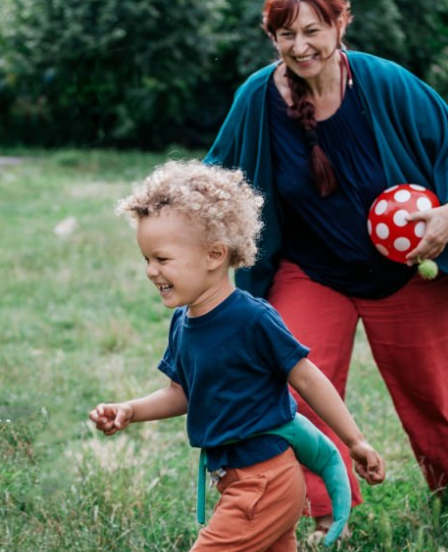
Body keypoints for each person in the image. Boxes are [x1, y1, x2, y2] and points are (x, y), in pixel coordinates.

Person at [204, 0, 448, 540]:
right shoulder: (257, 98)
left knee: (437, 399)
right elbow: (215, 178)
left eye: (313, 30)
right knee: (291, 390)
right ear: (272, 38)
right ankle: (324, 515)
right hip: (312, 271)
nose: (300, 46)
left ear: (341, 24)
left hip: (404, 272)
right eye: (286, 34)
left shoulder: (386, 84)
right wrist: (171, 214)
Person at [89, 160, 385, 551]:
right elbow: (182, 393)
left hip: (263, 480)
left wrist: (355, 441)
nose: (150, 271)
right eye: (147, 260)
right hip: (238, 479)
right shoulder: (183, 321)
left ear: (214, 255)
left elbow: (307, 378)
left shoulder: (252, 319)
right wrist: (131, 409)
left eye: (162, 259)